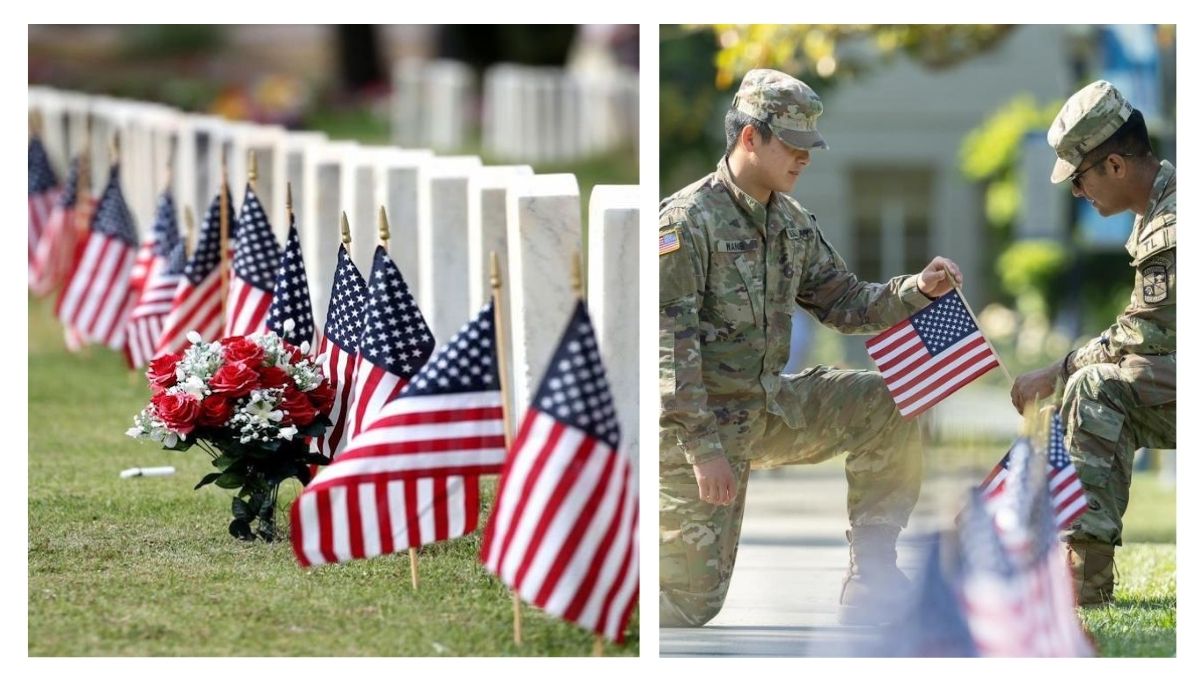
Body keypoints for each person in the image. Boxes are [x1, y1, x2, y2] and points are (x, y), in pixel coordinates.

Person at [659, 68, 963, 627]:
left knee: (889, 399)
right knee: (686, 604)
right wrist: (704, 451)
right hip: (696, 433)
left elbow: (845, 302)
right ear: (750, 137)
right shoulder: (686, 222)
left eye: (811, 147)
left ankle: (872, 572)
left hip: (769, 409)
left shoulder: (792, 221)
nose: (805, 159)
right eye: (794, 145)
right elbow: (670, 356)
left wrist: (918, 289)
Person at [1009, 80, 1175, 606]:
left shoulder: (1173, 222)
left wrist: (1056, 371)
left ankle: (1082, 579)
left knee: (1096, 387)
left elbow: (1144, 335)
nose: (1078, 194)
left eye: (1080, 180)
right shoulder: (1161, 208)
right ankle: (1059, 560)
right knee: (1093, 389)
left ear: (1116, 167)